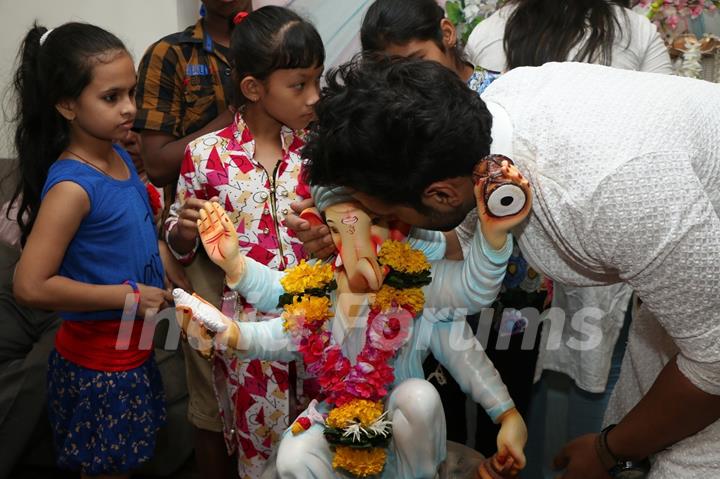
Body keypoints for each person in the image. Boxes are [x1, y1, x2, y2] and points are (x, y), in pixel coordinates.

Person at [301, 55, 720, 478]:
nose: (388, 230)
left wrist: (607, 451)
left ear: (441, 195)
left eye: (389, 216)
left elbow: (714, 364)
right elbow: (460, 240)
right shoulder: (481, 135)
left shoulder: (610, 192)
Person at [175, 170, 532, 478]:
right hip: (338, 420)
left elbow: (473, 303)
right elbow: (279, 322)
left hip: (404, 432)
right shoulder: (321, 287)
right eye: (338, 228)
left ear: (399, 225)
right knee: (294, 459)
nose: (356, 247)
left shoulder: (419, 283)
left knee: (418, 397)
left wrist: (507, 414)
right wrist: (231, 310)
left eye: (372, 223)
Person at [356, 0, 547, 456]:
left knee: (501, 416)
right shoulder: (398, 113)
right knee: (432, 418)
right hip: (431, 291)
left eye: (414, 62)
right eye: (389, 70)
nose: (405, 81)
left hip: (513, 293)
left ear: (446, 33)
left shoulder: (503, 102)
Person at [165, 6, 324, 478]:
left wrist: (328, 237)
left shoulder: (323, 150)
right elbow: (178, 241)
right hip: (250, 332)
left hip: (322, 316)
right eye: (299, 85)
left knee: (326, 447)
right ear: (254, 88)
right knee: (263, 455)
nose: (314, 97)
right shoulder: (206, 155)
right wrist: (184, 232)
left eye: (317, 80)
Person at [9, 23, 171, 478]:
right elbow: (30, 284)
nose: (129, 109)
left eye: (132, 93)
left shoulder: (116, 154)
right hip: (101, 368)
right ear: (66, 105)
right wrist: (127, 296)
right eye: (111, 97)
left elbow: (130, 232)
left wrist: (165, 249)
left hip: (133, 348)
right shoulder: (73, 187)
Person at [133, 2, 251, 476]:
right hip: (200, 244)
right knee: (211, 399)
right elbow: (158, 162)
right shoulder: (172, 54)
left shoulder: (273, 37)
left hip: (278, 244)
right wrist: (229, 116)